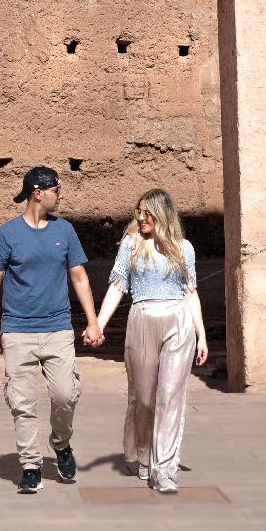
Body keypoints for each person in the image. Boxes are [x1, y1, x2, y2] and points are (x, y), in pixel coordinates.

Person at [0, 165, 103, 494]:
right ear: (39, 193)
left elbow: (79, 277)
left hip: (57, 329)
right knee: (22, 402)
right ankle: (31, 465)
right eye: (56, 191)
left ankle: (60, 444)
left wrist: (92, 321)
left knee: (65, 394)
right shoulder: (7, 234)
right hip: (17, 330)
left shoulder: (64, 231)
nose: (60, 196)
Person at [93, 188, 208, 494]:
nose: (141, 218)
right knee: (143, 397)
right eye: (139, 212)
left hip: (178, 320)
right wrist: (98, 324)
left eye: (147, 212)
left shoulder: (185, 249)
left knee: (171, 396)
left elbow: (190, 292)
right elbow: (118, 287)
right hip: (143, 316)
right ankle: (143, 453)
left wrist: (202, 335)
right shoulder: (132, 245)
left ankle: (166, 469)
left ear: (162, 214)